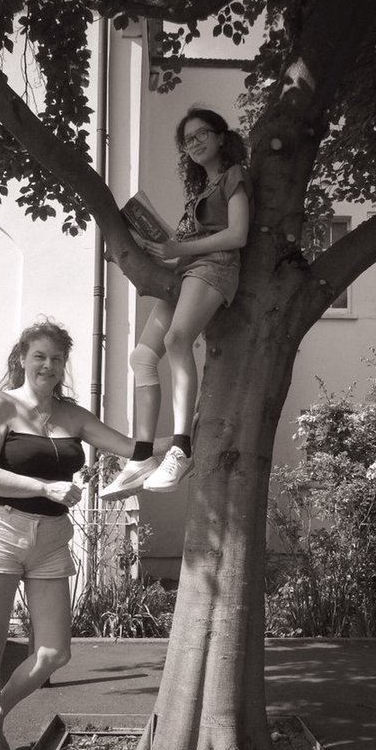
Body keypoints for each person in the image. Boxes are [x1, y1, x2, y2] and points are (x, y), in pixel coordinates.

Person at [0, 318, 160, 750]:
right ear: (22, 359)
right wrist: (46, 486)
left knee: (53, 653)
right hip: (0, 531)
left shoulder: (73, 416)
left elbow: (133, 448)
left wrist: (185, 442)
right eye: (39, 357)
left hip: (51, 537)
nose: (48, 366)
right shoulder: (1, 407)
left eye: (56, 359)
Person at [100, 106, 253, 500]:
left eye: (203, 134)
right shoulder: (199, 191)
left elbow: (237, 235)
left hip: (216, 267)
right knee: (141, 357)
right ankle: (141, 456)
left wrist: (178, 248)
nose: (196, 143)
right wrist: (145, 249)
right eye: (188, 140)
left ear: (221, 137)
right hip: (185, 270)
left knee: (177, 341)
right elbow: (177, 250)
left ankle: (182, 448)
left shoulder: (235, 177)